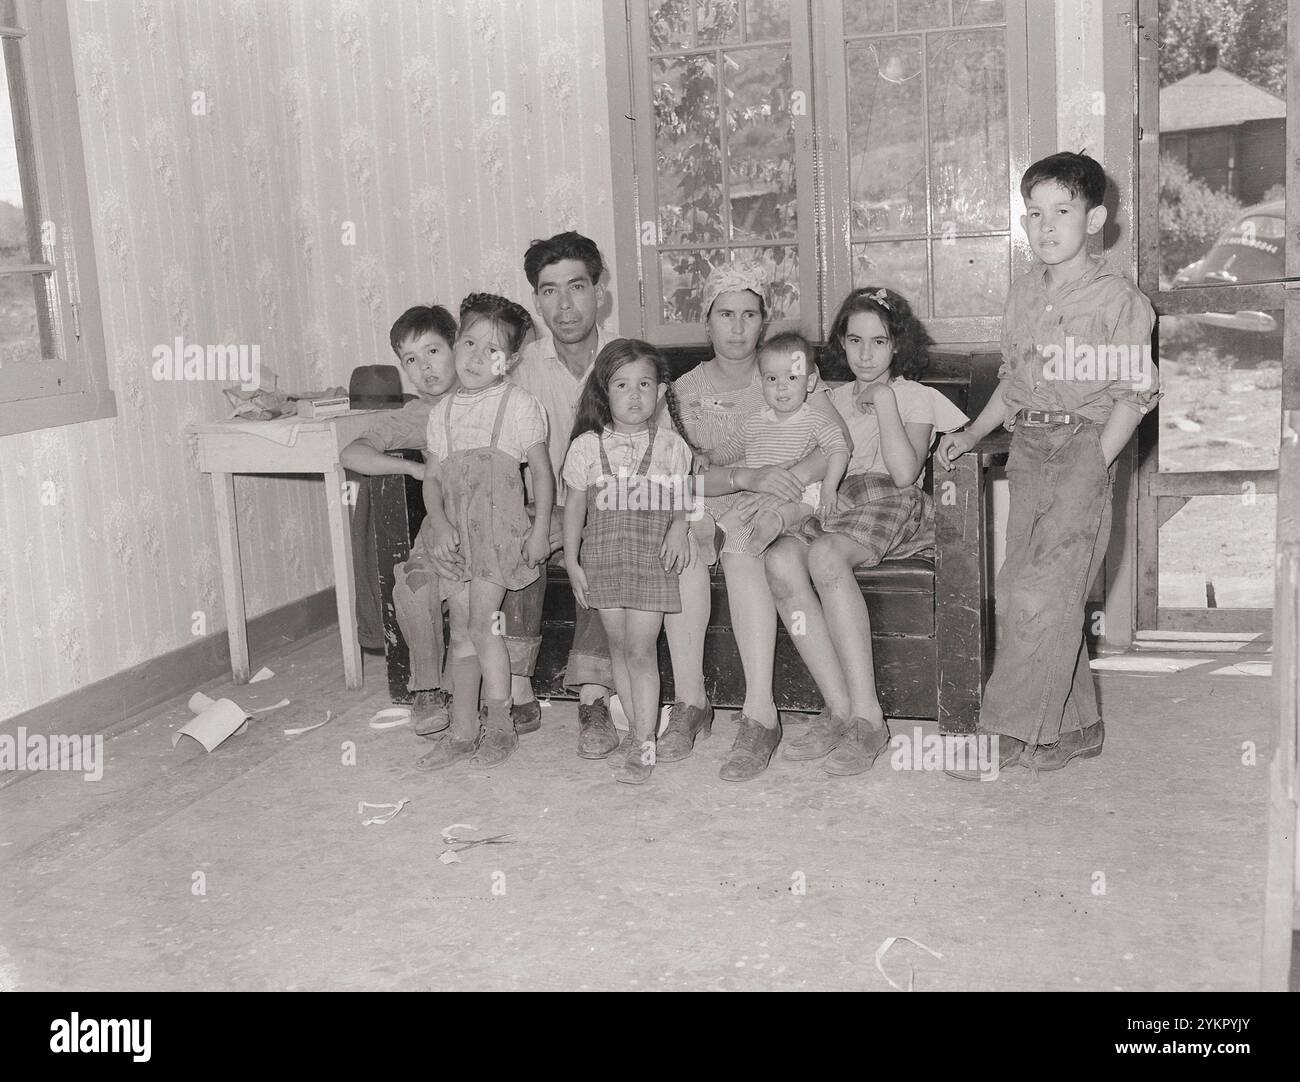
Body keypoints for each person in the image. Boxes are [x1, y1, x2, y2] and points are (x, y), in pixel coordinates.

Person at [935, 151, 1158, 778]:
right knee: (1023, 590)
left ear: (1096, 219)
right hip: (1029, 450)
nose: (1046, 226)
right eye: (1034, 213)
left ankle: (1003, 732)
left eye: (1063, 211)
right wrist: (970, 432)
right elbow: (1013, 382)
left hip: (1086, 443)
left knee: (1040, 593)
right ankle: (1080, 727)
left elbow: (1133, 396)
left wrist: (1096, 459)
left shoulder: (1122, 302)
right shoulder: (1024, 293)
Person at [765, 287, 967, 775]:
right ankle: (839, 708)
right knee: (778, 560)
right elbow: (815, 460)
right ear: (841, 342)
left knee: (826, 558)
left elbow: (903, 472)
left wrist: (885, 404)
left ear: (897, 345)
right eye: (854, 341)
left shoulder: (914, 395)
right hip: (838, 498)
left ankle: (870, 718)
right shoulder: (826, 397)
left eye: (879, 342)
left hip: (891, 499)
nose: (866, 354)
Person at [656, 262, 844, 781]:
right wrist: (745, 477)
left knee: (743, 556)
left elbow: (831, 443)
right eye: (725, 314)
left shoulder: (789, 368)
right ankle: (690, 701)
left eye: (748, 314)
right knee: (684, 550)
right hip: (717, 496)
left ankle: (760, 713)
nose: (737, 327)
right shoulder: (683, 391)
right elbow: (683, 476)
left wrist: (782, 476)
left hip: (786, 504)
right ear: (706, 321)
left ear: (764, 321)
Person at [414, 294, 552, 771]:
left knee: (482, 624)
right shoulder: (442, 414)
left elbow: (542, 472)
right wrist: (438, 522)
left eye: (490, 350)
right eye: (468, 342)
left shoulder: (518, 405)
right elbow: (432, 480)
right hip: (456, 539)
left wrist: (537, 534)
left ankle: (500, 725)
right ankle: (463, 729)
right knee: (462, 632)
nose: (474, 357)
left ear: (510, 361)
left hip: (498, 536)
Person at [507, 232, 620, 758]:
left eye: (577, 286)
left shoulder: (627, 360)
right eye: (549, 291)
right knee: (516, 542)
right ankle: (515, 683)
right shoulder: (518, 368)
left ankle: (593, 697)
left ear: (600, 291)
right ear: (537, 300)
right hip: (541, 508)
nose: (565, 304)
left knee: (604, 541)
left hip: (612, 509)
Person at [562, 340, 695, 784]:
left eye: (644, 384)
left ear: (659, 392)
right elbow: (575, 510)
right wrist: (573, 561)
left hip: (649, 561)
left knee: (641, 650)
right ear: (605, 391)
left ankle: (644, 743)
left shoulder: (671, 446)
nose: (634, 394)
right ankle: (639, 730)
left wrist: (679, 527)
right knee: (618, 648)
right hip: (602, 561)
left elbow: (682, 501)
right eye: (622, 384)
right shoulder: (585, 447)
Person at [340, 304, 458, 735]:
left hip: (501, 517)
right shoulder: (418, 414)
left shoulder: (491, 394)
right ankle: (427, 691)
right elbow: (352, 453)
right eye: (411, 359)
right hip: (448, 522)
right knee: (412, 580)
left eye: (432, 351)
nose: (425, 368)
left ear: (456, 346)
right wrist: (414, 469)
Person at [707, 331, 850, 554]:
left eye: (792, 378)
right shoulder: (755, 421)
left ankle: (764, 535)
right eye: (772, 379)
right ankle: (715, 535)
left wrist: (830, 488)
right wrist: (707, 457)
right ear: (760, 382)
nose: (781, 386)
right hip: (760, 491)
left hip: (801, 492)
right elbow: (730, 449)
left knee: (789, 511)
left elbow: (839, 449)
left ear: (810, 382)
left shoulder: (815, 419)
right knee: (738, 510)